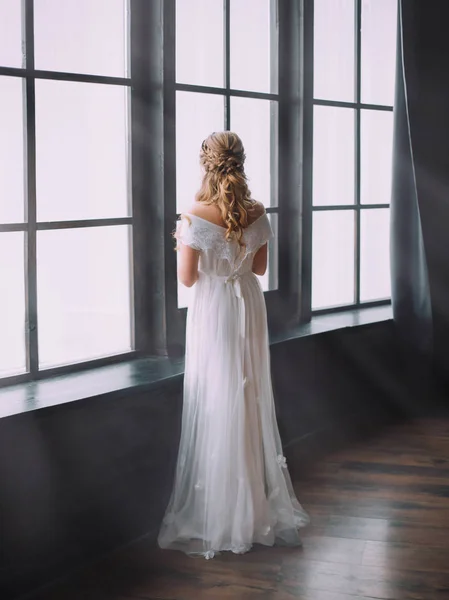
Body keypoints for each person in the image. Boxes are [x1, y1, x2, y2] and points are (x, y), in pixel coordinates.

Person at [158, 131, 309, 559]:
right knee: (246, 394)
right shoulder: (257, 211)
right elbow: (258, 269)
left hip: (214, 307)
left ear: (205, 164)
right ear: (240, 162)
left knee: (218, 396)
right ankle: (252, 506)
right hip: (247, 302)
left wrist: (185, 243)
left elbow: (187, 279)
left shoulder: (193, 213)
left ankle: (224, 511)